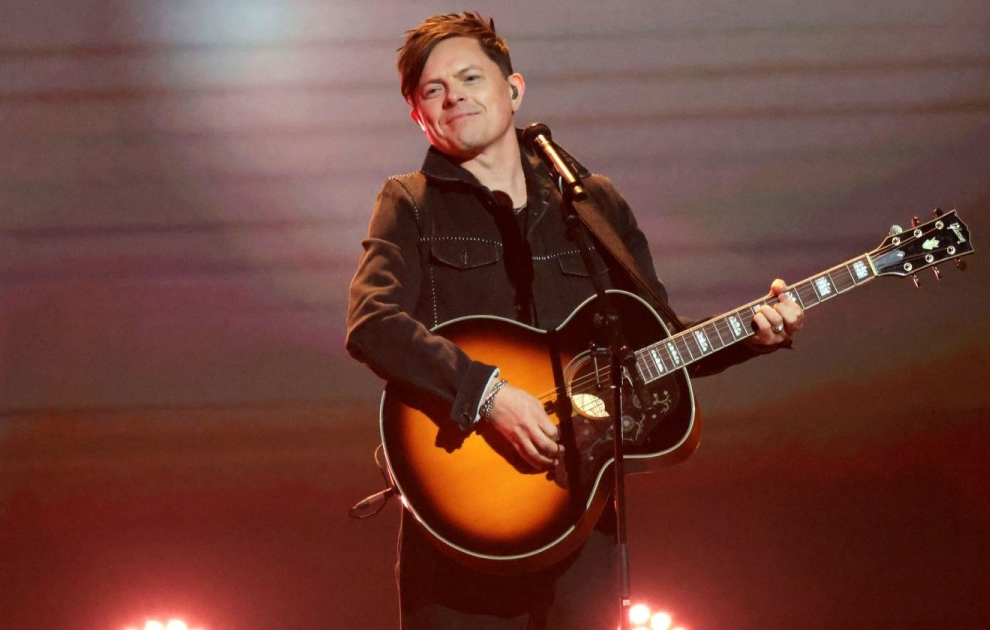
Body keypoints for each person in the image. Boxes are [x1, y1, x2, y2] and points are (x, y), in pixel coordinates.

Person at [345, 12, 804, 629]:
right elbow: (372, 322)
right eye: (434, 89)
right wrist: (488, 395)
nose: (454, 96)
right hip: (461, 512)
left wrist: (753, 335)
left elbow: (657, 341)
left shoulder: (594, 204)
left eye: (471, 78)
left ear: (513, 90)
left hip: (582, 511)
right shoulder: (408, 202)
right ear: (418, 116)